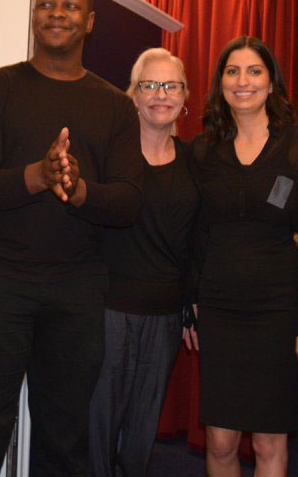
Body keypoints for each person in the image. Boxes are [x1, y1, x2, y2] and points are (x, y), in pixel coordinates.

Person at [0, 0, 144, 475]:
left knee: (64, 439)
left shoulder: (117, 107)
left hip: (75, 292)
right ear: (33, 14)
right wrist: (38, 175)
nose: (58, 13)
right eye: (47, 4)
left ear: (90, 21)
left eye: (71, 6)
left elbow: (127, 202)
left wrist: (77, 190)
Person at [188, 36, 298, 477]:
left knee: (270, 441)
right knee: (221, 438)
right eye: (232, 72)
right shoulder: (201, 150)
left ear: (271, 84)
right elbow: (194, 235)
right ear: (220, 84)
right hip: (219, 309)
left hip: (277, 312)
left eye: (254, 71)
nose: (242, 81)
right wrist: (189, 305)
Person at [88, 48, 199, 477]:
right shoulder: (107, 158)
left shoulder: (194, 161)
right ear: (132, 95)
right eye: (149, 85)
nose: (160, 94)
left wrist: (193, 302)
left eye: (170, 85)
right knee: (97, 425)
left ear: (185, 96)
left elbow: (198, 240)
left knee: (141, 432)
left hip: (166, 314)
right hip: (107, 308)